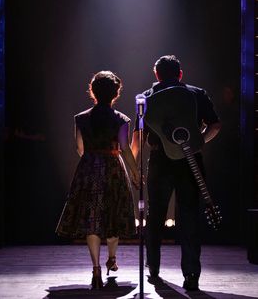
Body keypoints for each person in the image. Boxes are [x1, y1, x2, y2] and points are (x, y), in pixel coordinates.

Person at [131, 55, 221, 292]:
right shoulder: (196, 94)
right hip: (190, 161)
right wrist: (195, 143)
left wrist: (133, 166)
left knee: (155, 215)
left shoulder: (146, 98)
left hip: (159, 160)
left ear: (156, 75)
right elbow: (215, 125)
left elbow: (138, 136)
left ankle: (153, 267)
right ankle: (191, 275)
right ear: (180, 74)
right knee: (189, 216)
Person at [56, 71, 137, 289]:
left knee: (92, 219)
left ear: (93, 91)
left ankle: (96, 269)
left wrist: (93, 158)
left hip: (89, 168)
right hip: (113, 169)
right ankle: (112, 258)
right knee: (113, 215)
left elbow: (80, 148)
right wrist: (135, 172)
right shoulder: (121, 119)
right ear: (116, 93)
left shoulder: (81, 118)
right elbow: (125, 148)